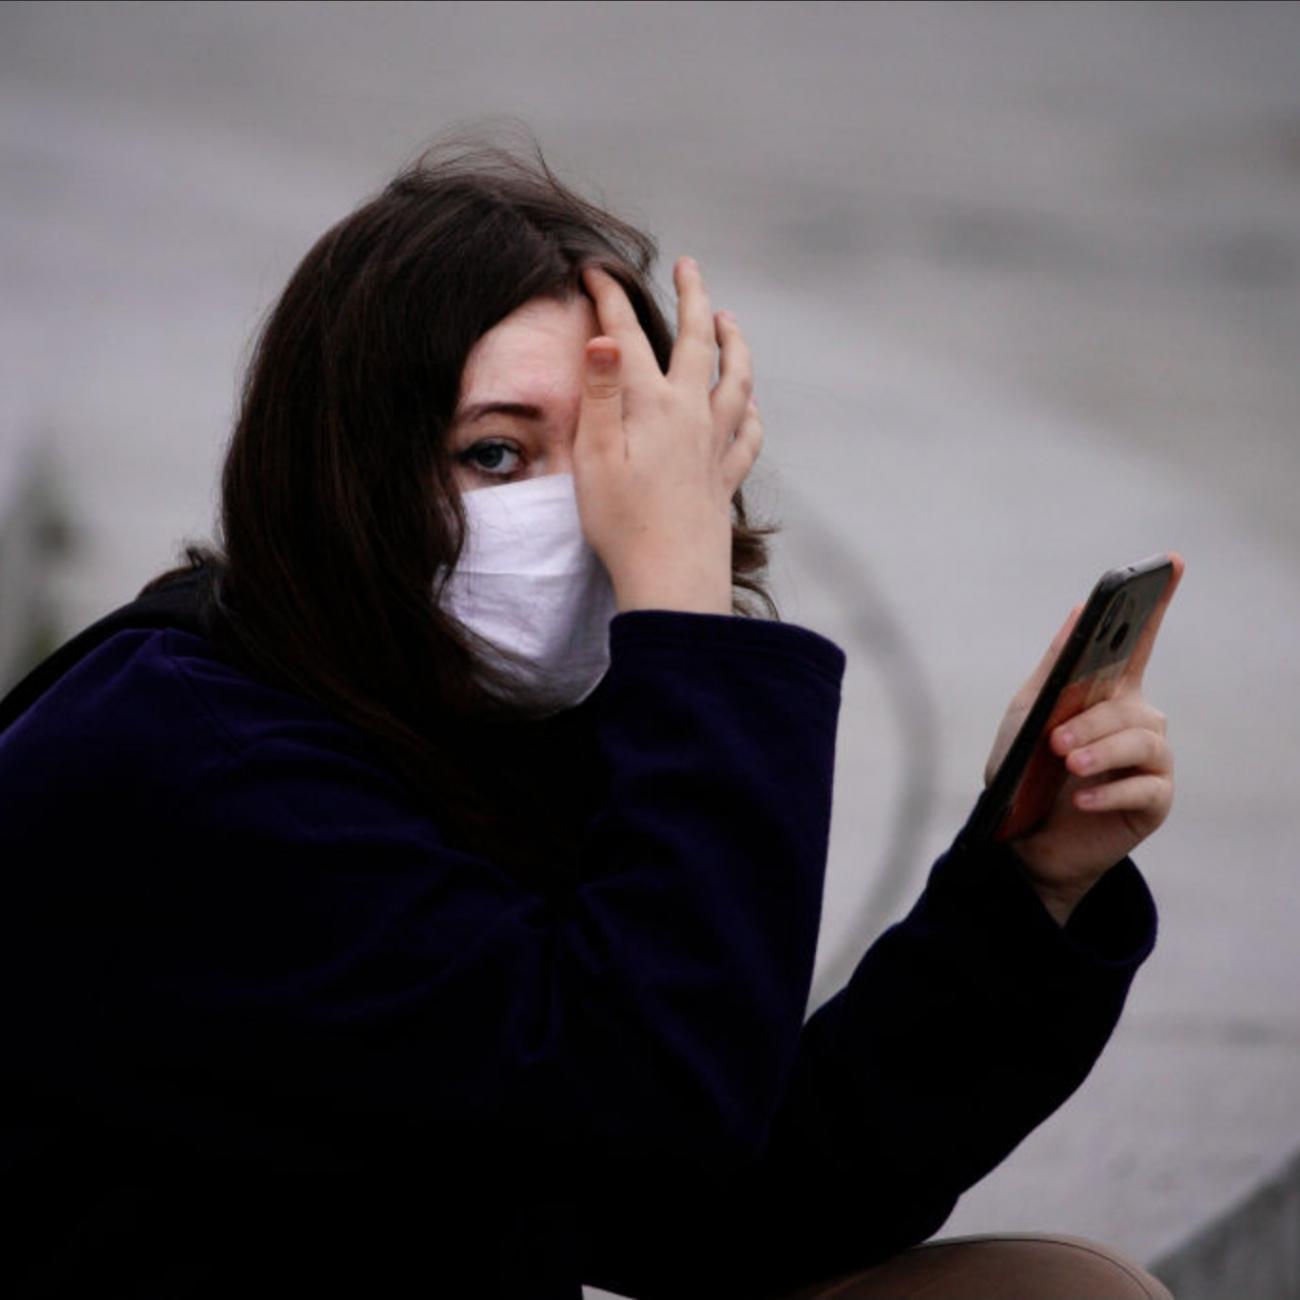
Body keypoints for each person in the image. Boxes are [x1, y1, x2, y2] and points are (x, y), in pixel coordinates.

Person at [0, 132, 1181, 1299]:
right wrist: (689, 621)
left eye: (616, 453)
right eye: (498, 453)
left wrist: (1025, 891)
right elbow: (646, 1119)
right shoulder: (183, 755)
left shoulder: (455, 711)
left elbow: (728, 1200)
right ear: (345, 481)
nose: (588, 518)